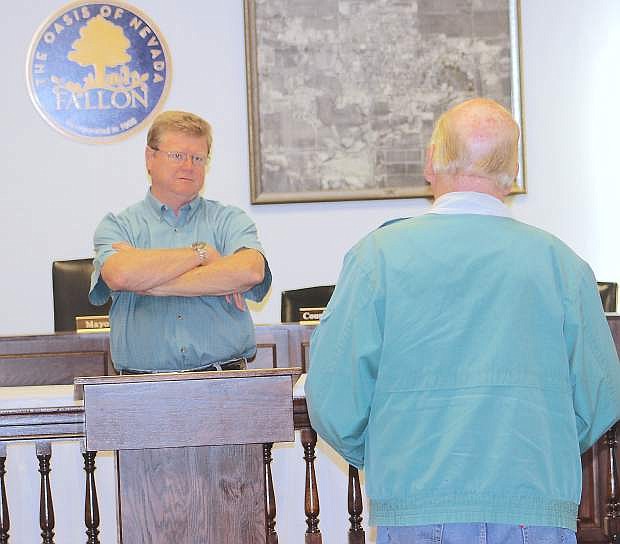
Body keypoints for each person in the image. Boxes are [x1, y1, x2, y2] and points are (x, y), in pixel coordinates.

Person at [304, 98, 620, 543]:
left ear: (431, 160)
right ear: (513, 172)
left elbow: (332, 399)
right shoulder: (561, 264)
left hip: (416, 502)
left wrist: (386, 453)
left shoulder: (378, 259)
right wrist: (543, 451)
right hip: (535, 502)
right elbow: (601, 395)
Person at [89, 110, 271, 373]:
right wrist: (201, 254)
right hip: (141, 389)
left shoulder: (229, 220)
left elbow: (250, 270)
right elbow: (120, 275)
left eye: (198, 158)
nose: (188, 166)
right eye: (177, 156)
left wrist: (150, 284)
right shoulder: (119, 226)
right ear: (150, 158)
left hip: (226, 382)